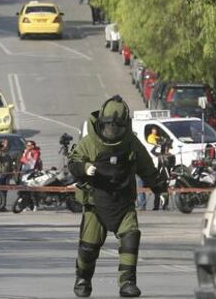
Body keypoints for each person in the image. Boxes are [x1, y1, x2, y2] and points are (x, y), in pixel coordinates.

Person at [68, 95, 167, 298]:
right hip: (95, 203)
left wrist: (158, 186)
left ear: (125, 125)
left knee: (130, 238)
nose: (112, 131)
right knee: (88, 247)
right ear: (101, 123)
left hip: (123, 202)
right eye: (108, 127)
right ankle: (83, 279)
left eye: (117, 127)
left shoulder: (131, 143)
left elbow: (146, 166)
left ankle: (127, 282)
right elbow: (73, 162)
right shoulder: (89, 143)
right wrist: (85, 168)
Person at [150, 139, 175, 210]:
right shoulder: (160, 155)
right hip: (159, 175)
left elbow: (172, 165)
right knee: (157, 190)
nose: (166, 148)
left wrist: (167, 162)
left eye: (168, 147)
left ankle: (165, 205)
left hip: (167, 175)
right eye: (165, 147)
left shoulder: (171, 156)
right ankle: (156, 206)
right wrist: (157, 145)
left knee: (165, 191)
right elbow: (152, 151)